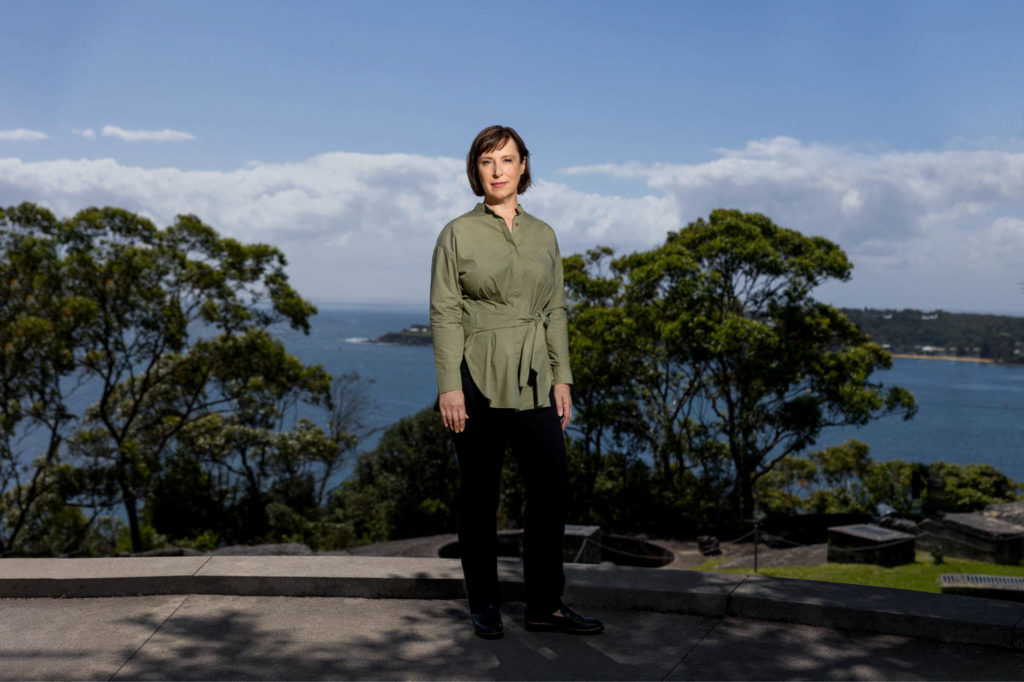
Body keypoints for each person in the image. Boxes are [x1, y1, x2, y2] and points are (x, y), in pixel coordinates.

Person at [430, 125, 605, 639]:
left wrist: (563, 379)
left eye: (507, 160)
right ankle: (484, 602)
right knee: (479, 496)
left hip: (536, 379)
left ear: (524, 165)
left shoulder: (544, 234)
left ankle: (544, 605)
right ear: (476, 170)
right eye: (488, 162)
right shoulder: (456, 233)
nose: (499, 170)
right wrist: (449, 386)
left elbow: (555, 309)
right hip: (476, 376)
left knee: (551, 489)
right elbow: (444, 312)